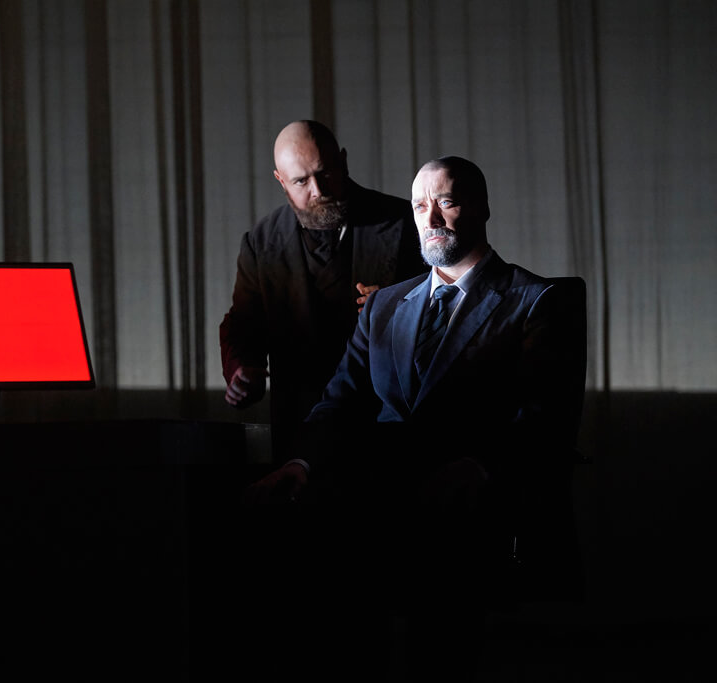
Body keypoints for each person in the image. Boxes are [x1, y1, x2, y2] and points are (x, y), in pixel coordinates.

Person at [243, 155, 587, 681]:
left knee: (422, 577)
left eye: (445, 202)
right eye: (419, 206)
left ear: (482, 208)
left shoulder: (534, 300)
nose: (429, 219)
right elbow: (339, 401)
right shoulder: (385, 307)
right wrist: (302, 462)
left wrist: (477, 468)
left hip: (466, 502)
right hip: (378, 493)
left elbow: (543, 419)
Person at [219, 120, 427, 459]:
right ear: (280, 181)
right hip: (298, 428)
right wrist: (241, 369)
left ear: (343, 162)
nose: (318, 190)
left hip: (385, 425)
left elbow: (446, 304)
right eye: (301, 181)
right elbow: (244, 322)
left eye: (325, 172)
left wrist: (400, 305)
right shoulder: (260, 243)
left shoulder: (404, 221)